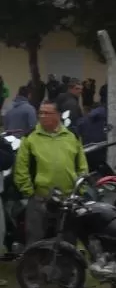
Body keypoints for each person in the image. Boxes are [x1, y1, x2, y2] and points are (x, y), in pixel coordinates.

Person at [14, 101, 88, 244]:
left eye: (47, 113)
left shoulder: (71, 136)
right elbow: (21, 168)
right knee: (36, 241)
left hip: (67, 200)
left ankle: (66, 266)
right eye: (40, 113)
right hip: (40, 200)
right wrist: (30, 192)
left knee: (67, 242)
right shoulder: (30, 137)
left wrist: (80, 189)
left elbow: (82, 166)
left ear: (58, 115)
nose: (42, 116)